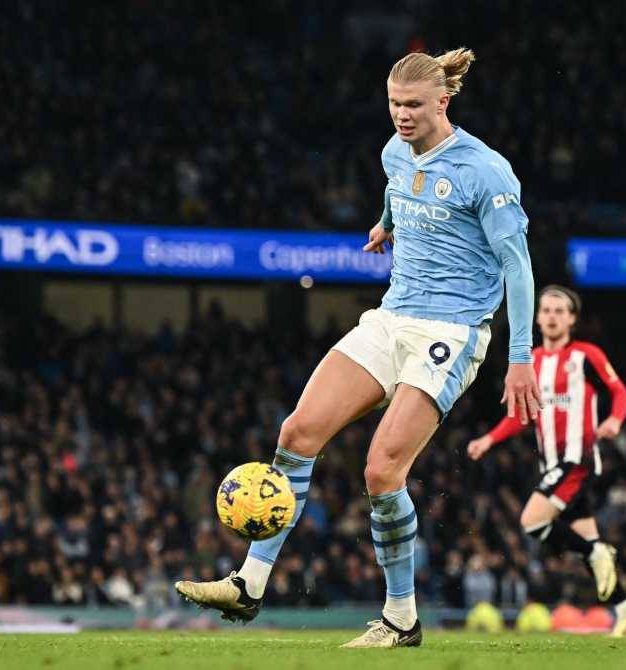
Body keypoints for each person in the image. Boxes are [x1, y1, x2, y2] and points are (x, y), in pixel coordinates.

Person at [176, 47, 542, 649]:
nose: (402, 115)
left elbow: (519, 269)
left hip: (449, 331)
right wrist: (385, 222)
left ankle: (401, 618)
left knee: (380, 470)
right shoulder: (393, 150)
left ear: (443, 102)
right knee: (296, 433)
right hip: (391, 316)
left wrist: (521, 357)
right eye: (395, 104)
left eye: (415, 105)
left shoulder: (487, 171)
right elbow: (400, 189)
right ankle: (250, 582)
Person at [466, 285, 626, 636]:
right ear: (537, 317)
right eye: (546, 310)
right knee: (585, 541)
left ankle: (597, 552)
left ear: (572, 319)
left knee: (532, 521)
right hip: (552, 464)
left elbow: (621, 392)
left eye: (559, 311)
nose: (551, 316)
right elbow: (523, 416)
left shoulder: (586, 355)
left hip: (577, 459)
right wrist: (489, 438)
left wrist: (614, 421)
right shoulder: (531, 363)